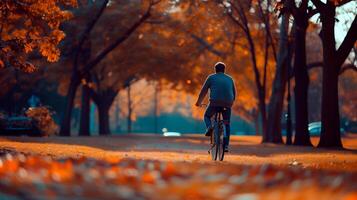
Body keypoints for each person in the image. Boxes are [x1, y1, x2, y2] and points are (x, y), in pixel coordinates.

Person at [195, 62, 236, 152]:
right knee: (227, 123)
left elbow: (203, 91)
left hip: (214, 103)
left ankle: (209, 127)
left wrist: (198, 102)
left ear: (215, 69)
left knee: (207, 116)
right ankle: (226, 146)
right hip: (228, 103)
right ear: (224, 70)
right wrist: (230, 102)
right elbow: (234, 93)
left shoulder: (211, 77)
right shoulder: (230, 79)